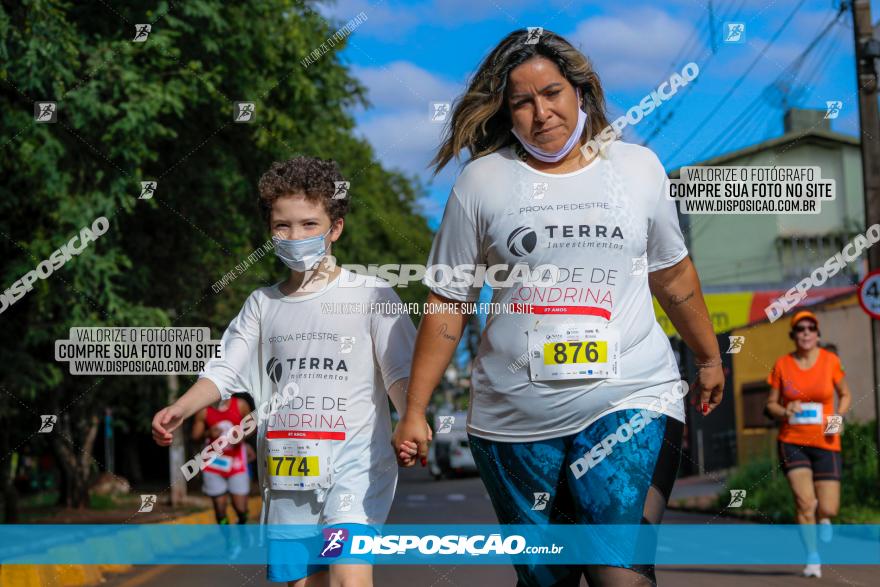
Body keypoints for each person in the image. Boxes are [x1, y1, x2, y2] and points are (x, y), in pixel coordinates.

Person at [392, 29, 723, 586]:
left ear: (581, 91)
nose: (541, 112)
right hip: (515, 421)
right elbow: (450, 300)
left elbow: (672, 273)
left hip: (633, 396)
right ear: (506, 112)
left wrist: (708, 356)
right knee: (550, 581)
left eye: (552, 93)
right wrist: (416, 410)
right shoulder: (481, 182)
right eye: (522, 102)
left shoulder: (638, 168)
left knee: (621, 573)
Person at [152, 156, 421, 587]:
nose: (295, 236)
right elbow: (224, 369)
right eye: (283, 226)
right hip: (287, 470)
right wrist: (181, 408)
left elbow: (400, 374)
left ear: (336, 227)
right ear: (269, 231)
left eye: (309, 224)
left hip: (354, 465)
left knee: (350, 577)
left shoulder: (372, 293)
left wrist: (412, 418)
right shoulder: (262, 305)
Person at [765, 310, 852, 579]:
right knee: (804, 501)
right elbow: (770, 404)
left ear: (817, 334)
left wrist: (838, 416)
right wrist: (785, 410)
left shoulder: (830, 361)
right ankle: (812, 557)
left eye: (811, 328)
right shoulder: (782, 365)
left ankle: (824, 516)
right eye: (800, 328)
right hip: (793, 440)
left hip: (826, 440)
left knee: (828, 507)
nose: (806, 332)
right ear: (793, 335)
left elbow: (845, 394)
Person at [191, 394, 252, 525]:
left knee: (240, 508)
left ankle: (243, 529)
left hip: (237, 462)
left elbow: (252, 427)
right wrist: (208, 433)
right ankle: (229, 541)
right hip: (214, 463)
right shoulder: (204, 410)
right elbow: (195, 437)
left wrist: (242, 435)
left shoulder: (240, 405)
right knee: (220, 509)